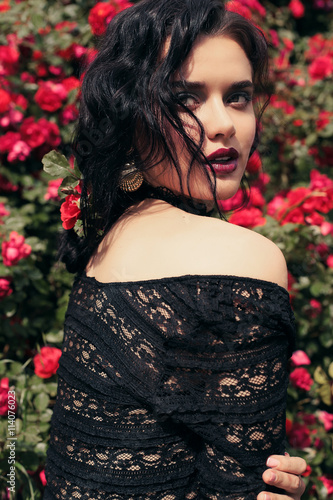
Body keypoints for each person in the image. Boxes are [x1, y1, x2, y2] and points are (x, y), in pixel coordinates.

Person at [44, 0, 307, 498]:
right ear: (130, 114)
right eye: (185, 98)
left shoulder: (113, 238)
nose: (223, 124)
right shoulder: (243, 262)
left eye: (238, 97)